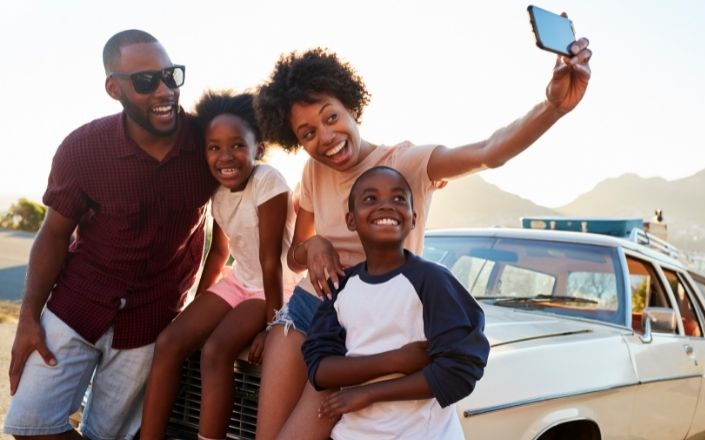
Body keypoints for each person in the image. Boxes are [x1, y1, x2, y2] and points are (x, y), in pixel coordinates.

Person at [254, 39, 591, 439]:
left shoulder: (405, 163)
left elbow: (489, 151)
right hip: (306, 311)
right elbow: (294, 256)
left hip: (362, 331)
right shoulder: (313, 171)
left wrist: (552, 106)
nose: (325, 137)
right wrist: (313, 245)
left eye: (331, 118)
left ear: (350, 105)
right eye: (307, 133)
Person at [4, 29, 217, 439]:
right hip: (76, 303)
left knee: (108, 434)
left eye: (170, 76)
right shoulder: (83, 149)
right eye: (145, 81)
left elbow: (224, 227)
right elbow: (52, 235)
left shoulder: (207, 143)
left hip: (151, 316)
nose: (164, 91)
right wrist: (29, 317)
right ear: (113, 87)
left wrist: (198, 308)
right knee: (30, 425)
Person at [140, 91, 300, 439]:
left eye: (237, 146)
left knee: (215, 351)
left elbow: (270, 260)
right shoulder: (217, 190)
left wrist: (273, 327)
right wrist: (198, 306)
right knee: (169, 342)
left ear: (257, 148)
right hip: (238, 280)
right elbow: (218, 252)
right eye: (214, 147)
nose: (225, 156)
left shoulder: (268, 181)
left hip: (273, 288)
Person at [302, 166, 489, 439]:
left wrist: (368, 393)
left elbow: (460, 370)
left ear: (413, 218)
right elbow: (319, 369)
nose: (386, 206)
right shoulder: (342, 287)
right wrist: (395, 360)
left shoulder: (432, 280)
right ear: (351, 220)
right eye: (370, 199)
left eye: (399, 198)